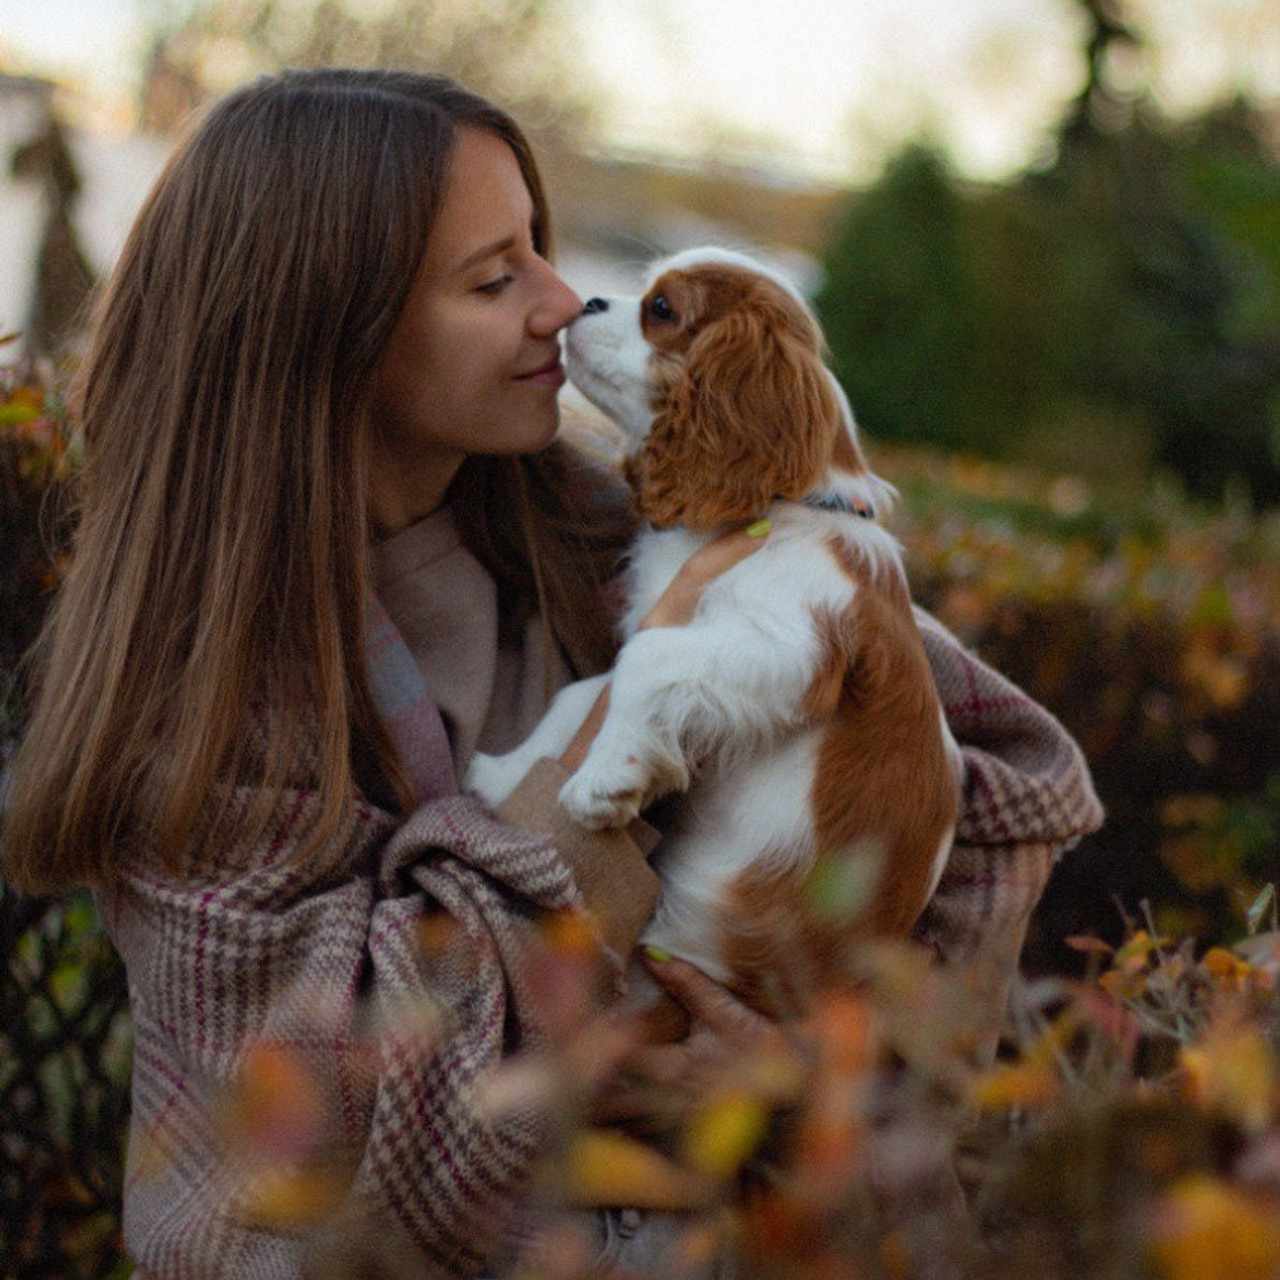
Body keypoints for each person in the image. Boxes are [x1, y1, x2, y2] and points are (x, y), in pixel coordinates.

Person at [1, 68, 1102, 1279]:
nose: (561, 299)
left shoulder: (615, 530)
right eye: (492, 278)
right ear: (332, 333)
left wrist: (813, 1074)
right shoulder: (197, 689)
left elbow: (999, 775)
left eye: (540, 246)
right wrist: (594, 971)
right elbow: (297, 1126)